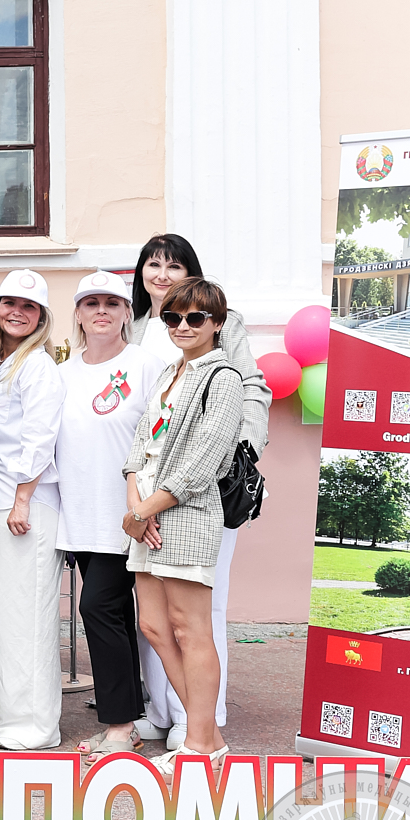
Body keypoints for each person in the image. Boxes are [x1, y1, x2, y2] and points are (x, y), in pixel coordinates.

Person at [128, 234, 271, 748]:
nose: (162, 274)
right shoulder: (139, 330)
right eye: (153, 264)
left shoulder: (221, 340)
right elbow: (143, 427)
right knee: (153, 623)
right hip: (147, 497)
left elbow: (247, 393)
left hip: (197, 495)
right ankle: (166, 711)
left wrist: (240, 453)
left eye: (174, 265)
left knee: (196, 616)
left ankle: (201, 727)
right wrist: (136, 497)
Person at [56, 271, 156, 758]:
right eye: (91, 303)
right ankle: (128, 719)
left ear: (126, 313)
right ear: (78, 314)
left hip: (127, 517)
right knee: (112, 613)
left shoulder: (145, 365)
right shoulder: (62, 373)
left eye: (112, 303)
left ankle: (120, 726)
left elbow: (161, 438)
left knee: (97, 607)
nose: (101, 311)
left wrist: (149, 506)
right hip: (78, 515)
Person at [0, 269, 66, 752]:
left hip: (24, 506)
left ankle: (33, 727)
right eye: (10, 303)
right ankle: (4, 718)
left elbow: (39, 438)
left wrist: (23, 499)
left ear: (42, 317)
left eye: (28, 307)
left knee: (26, 618)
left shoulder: (38, 367)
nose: (17, 313)